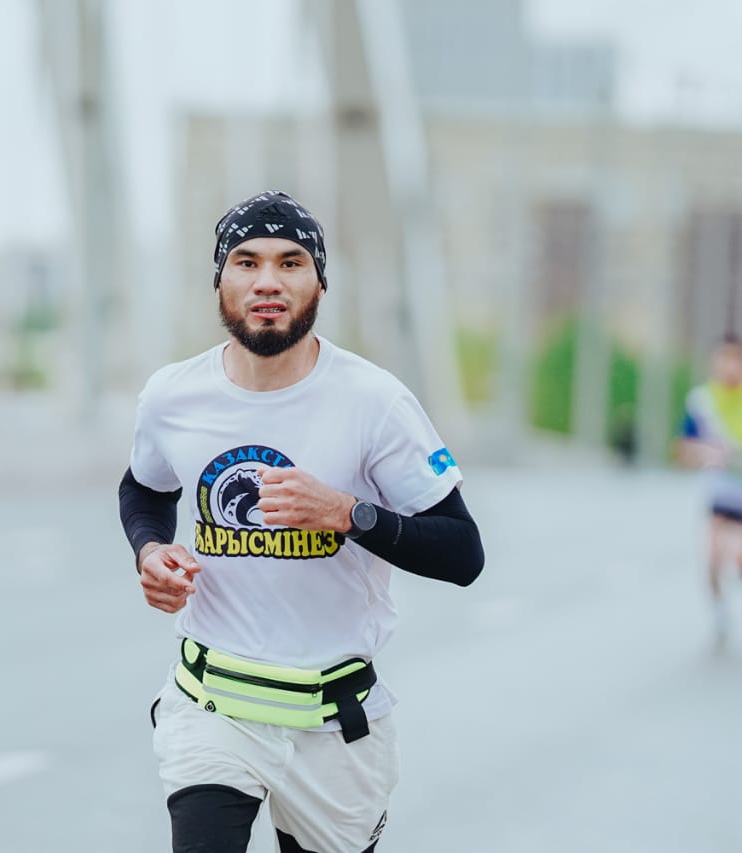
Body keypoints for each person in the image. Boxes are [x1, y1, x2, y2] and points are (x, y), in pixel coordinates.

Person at [118, 190, 485, 852]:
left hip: (336, 720)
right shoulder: (173, 396)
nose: (268, 281)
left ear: (319, 282)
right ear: (220, 280)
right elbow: (144, 489)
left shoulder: (375, 401)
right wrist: (149, 550)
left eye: (290, 263)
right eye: (247, 261)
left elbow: (463, 553)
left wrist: (348, 513)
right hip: (213, 703)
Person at [675, 335, 742, 644]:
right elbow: (683, 449)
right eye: (723, 360)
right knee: (713, 558)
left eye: (735, 360)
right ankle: (719, 612)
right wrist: (707, 453)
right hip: (720, 490)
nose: (729, 367)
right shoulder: (702, 400)